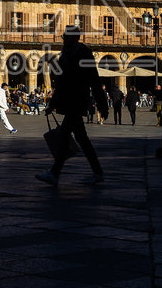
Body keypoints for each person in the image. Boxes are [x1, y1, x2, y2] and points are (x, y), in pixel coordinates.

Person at [38, 27, 109, 186]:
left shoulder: (84, 53)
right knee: (81, 139)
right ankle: (97, 172)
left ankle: (55, 173)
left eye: (66, 37)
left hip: (77, 101)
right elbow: (61, 83)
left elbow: (94, 80)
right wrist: (53, 104)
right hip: (70, 101)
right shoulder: (65, 54)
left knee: (66, 137)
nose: (64, 40)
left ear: (73, 38)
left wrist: (102, 104)